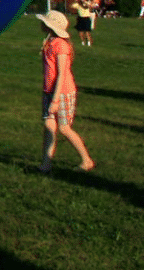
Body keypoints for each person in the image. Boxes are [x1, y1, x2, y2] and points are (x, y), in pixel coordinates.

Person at [37, 9, 95, 172]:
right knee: (49, 126)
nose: (41, 24)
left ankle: (87, 160)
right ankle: (46, 164)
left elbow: (62, 74)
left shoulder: (61, 45)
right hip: (49, 91)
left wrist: (55, 100)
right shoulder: (49, 41)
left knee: (64, 128)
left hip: (62, 92)